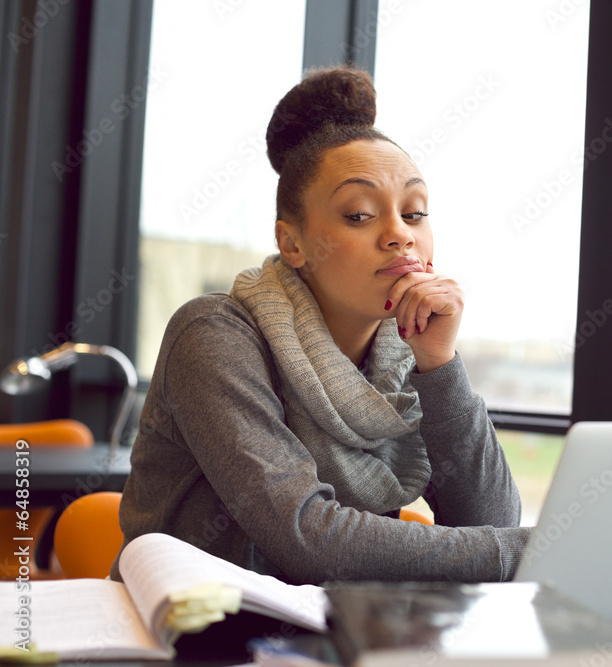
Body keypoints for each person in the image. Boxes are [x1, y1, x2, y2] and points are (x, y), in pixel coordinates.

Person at [111, 66, 531, 585]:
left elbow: (489, 521)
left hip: (345, 634)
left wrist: (439, 365)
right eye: (359, 215)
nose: (400, 235)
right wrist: (530, 551)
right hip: (199, 637)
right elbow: (308, 538)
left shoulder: (406, 354)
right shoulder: (214, 334)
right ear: (292, 244)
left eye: (415, 212)